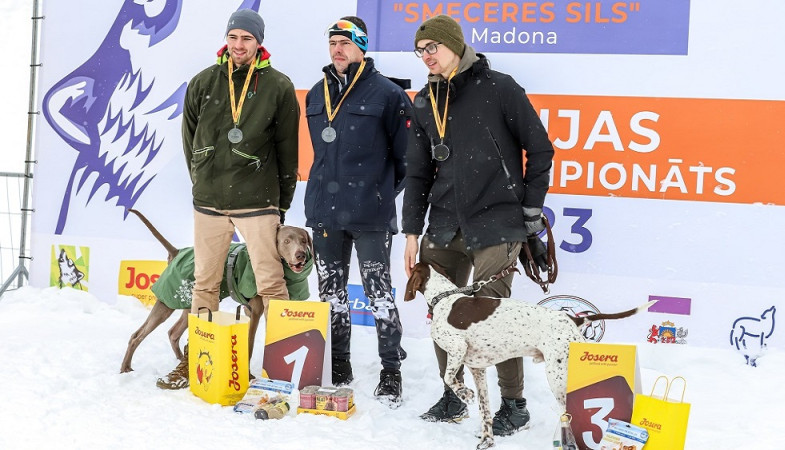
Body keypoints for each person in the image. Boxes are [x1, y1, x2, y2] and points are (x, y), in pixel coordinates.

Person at [402, 15, 555, 435]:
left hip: (497, 223)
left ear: (456, 46)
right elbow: (417, 172)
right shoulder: (423, 100)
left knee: (495, 320)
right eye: (420, 50)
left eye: (433, 47)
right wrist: (412, 233)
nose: (426, 57)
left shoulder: (500, 87)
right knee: (439, 314)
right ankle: (453, 396)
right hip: (444, 223)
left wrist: (528, 213)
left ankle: (513, 405)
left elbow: (540, 151)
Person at [158, 8, 300, 389]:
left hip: (258, 201)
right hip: (209, 201)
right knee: (204, 284)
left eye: (247, 39)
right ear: (227, 39)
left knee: (271, 285)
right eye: (234, 38)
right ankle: (196, 361)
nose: (239, 46)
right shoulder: (204, 81)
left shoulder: (278, 86)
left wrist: (281, 204)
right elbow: (189, 140)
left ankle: (284, 367)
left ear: (259, 43)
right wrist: (202, 181)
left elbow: (289, 151)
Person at [304, 16, 411, 407]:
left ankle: (390, 372)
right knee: (331, 294)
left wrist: (379, 194)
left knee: (378, 293)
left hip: (370, 214)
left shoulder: (388, 94)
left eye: (345, 43)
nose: (337, 49)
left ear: (362, 46)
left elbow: (405, 161)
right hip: (325, 212)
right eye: (332, 42)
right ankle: (340, 365)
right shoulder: (316, 93)